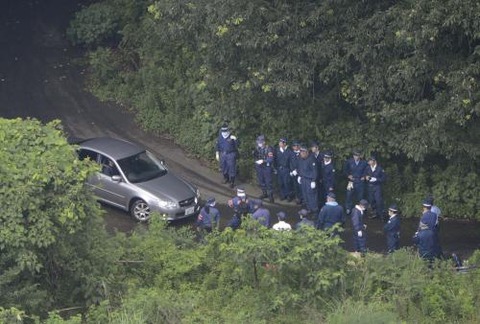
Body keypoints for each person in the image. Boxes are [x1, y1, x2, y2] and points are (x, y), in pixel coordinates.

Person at [343, 150, 367, 215]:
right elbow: (345, 170)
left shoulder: (364, 162)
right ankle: (348, 208)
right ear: (353, 156)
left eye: (357, 155)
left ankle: (361, 209)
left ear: (360, 156)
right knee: (349, 195)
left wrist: (364, 177)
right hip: (351, 181)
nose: (356, 157)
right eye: (355, 155)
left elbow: (366, 171)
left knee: (360, 196)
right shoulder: (349, 161)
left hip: (360, 181)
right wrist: (348, 175)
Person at [253, 135, 275, 203]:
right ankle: (264, 193)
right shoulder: (257, 148)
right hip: (259, 167)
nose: (259, 143)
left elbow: (271, 159)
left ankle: (271, 196)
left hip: (266, 167)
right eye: (258, 142)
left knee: (268, 182)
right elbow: (255, 156)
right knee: (261, 181)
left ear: (264, 142)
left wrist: (263, 161)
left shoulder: (269, 149)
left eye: (260, 142)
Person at [297, 145, 319, 214]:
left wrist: (313, 180)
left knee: (312, 196)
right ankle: (309, 208)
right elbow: (299, 167)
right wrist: (299, 175)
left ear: (307, 153)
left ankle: (315, 210)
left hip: (310, 180)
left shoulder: (312, 159)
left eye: (303, 152)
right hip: (303, 179)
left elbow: (315, 171)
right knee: (305, 195)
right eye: (301, 152)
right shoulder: (300, 159)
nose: (302, 153)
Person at [364, 155, 386, 220]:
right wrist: (366, 177)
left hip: (377, 186)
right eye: (368, 161)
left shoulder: (379, 168)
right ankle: (374, 213)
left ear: (374, 161)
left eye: (370, 161)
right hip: (370, 186)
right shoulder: (367, 168)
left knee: (378, 200)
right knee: (371, 200)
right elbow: (364, 175)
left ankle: (381, 214)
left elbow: (384, 178)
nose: (369, 162)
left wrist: (376, 179)